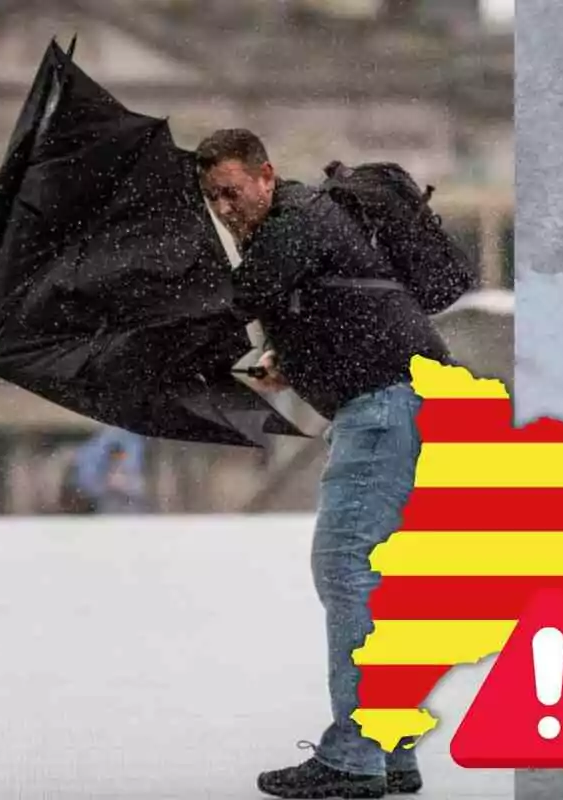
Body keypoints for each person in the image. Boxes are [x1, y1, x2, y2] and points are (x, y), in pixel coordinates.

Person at [195, 128, 455, 799]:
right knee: (372, 579)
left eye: (231, 190)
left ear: (265, 175)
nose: (224, 206)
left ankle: (355, 755)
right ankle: (389, 746)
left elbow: (227, 306)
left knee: (345, 568)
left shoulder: (290, 223)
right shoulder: (303, 223)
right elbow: (342, 305)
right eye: (212, 196)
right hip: (402, 402)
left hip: (385, 409)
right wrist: (297, 359)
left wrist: (121, 314)